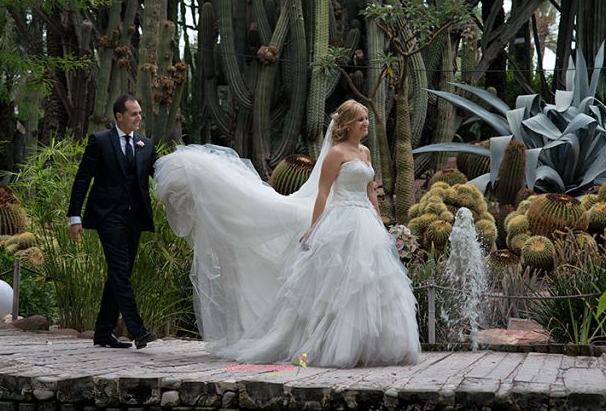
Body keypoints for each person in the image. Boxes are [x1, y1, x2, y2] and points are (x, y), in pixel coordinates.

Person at [154, 99, 420, 367]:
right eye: (361, 119)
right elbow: (324, 192)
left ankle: (372, 344)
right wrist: (315, 228)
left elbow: (370, 189)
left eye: (366, 119)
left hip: (366, 221)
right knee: (342, 284)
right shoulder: (336, 153)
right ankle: (336, 347)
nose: (366, 123)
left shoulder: (365, 152)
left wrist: (380, 220)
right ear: (348, 123)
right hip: (343, 219)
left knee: (374, 281)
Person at [67, 94, 158, 349]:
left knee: (121, 274)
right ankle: (138, 330)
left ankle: (103, 332)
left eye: (140, 113)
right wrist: (74, 216)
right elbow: (82, 180)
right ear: (119, 116)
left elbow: (160, 173)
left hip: (135, 218)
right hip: (109, 216)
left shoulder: (146, 144)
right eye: (134, 114)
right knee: (120, 270)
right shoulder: (100, 141)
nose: (139, 118)